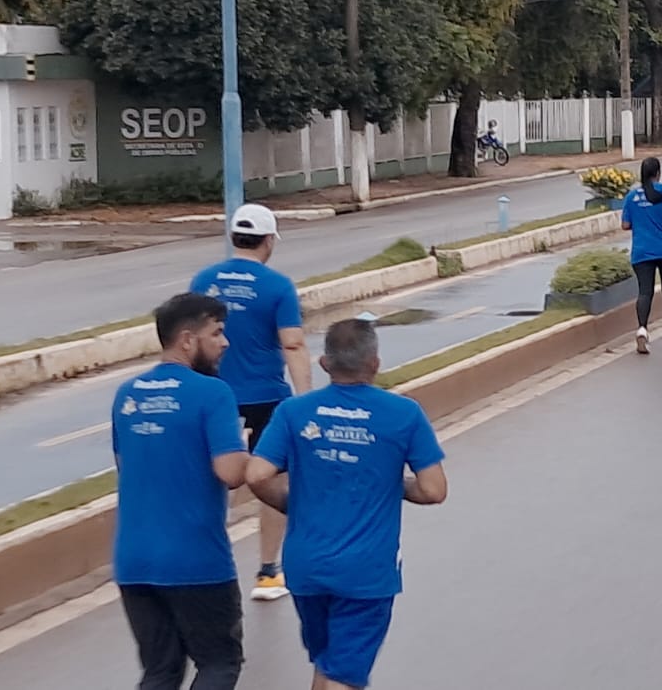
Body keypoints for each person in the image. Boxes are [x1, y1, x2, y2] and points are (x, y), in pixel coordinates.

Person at [246, 320, 447, 690]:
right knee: (344, 675)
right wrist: (393, 483)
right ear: (375, 362)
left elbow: (257, 474)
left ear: (324, 364)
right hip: (366, 572)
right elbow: (433, 489)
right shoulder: (404, 413)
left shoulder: (293, 412)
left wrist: (291, 503)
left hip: (306, 567)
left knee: (328, 664)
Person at [112, 293, 249, 690]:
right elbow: (230, 472)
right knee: (219, 662)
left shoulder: (128, 395)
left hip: (134, 561)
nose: (225, 343)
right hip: (196, 560)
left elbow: (126, 465)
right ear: (187, 340)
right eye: (217, 333)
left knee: (160, 671)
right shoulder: (213, 393)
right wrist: (247, 451)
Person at [190, 203, 309, 602]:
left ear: (233, 237)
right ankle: (268, 572)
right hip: (267, 399)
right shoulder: (277, 287)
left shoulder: (203, 281)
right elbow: (292, 342)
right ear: (269, 240)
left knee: (209, 483)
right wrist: (305, 399)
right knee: (272, 482)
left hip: (211, 399)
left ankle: (203, 571)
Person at [622, 157, 662, 352]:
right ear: (658, 173)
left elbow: (625, 225)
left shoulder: (632, 197)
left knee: (645, 291)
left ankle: (642, 329)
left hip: (641, 251)